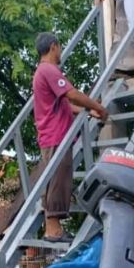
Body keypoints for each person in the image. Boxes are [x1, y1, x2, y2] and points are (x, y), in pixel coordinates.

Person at [32, 32, 108, 242]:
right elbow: (71, 94)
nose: (61, 51)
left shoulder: (41, 71)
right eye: (60, 47)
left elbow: (63, 103)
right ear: (54, 46)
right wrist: (98, 107)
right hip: (56, 135)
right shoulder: (49, 70)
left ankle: (51, 228)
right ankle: (54, 230)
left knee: (55, 180)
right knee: (59, 181)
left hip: (51, 134)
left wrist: (86, 111)